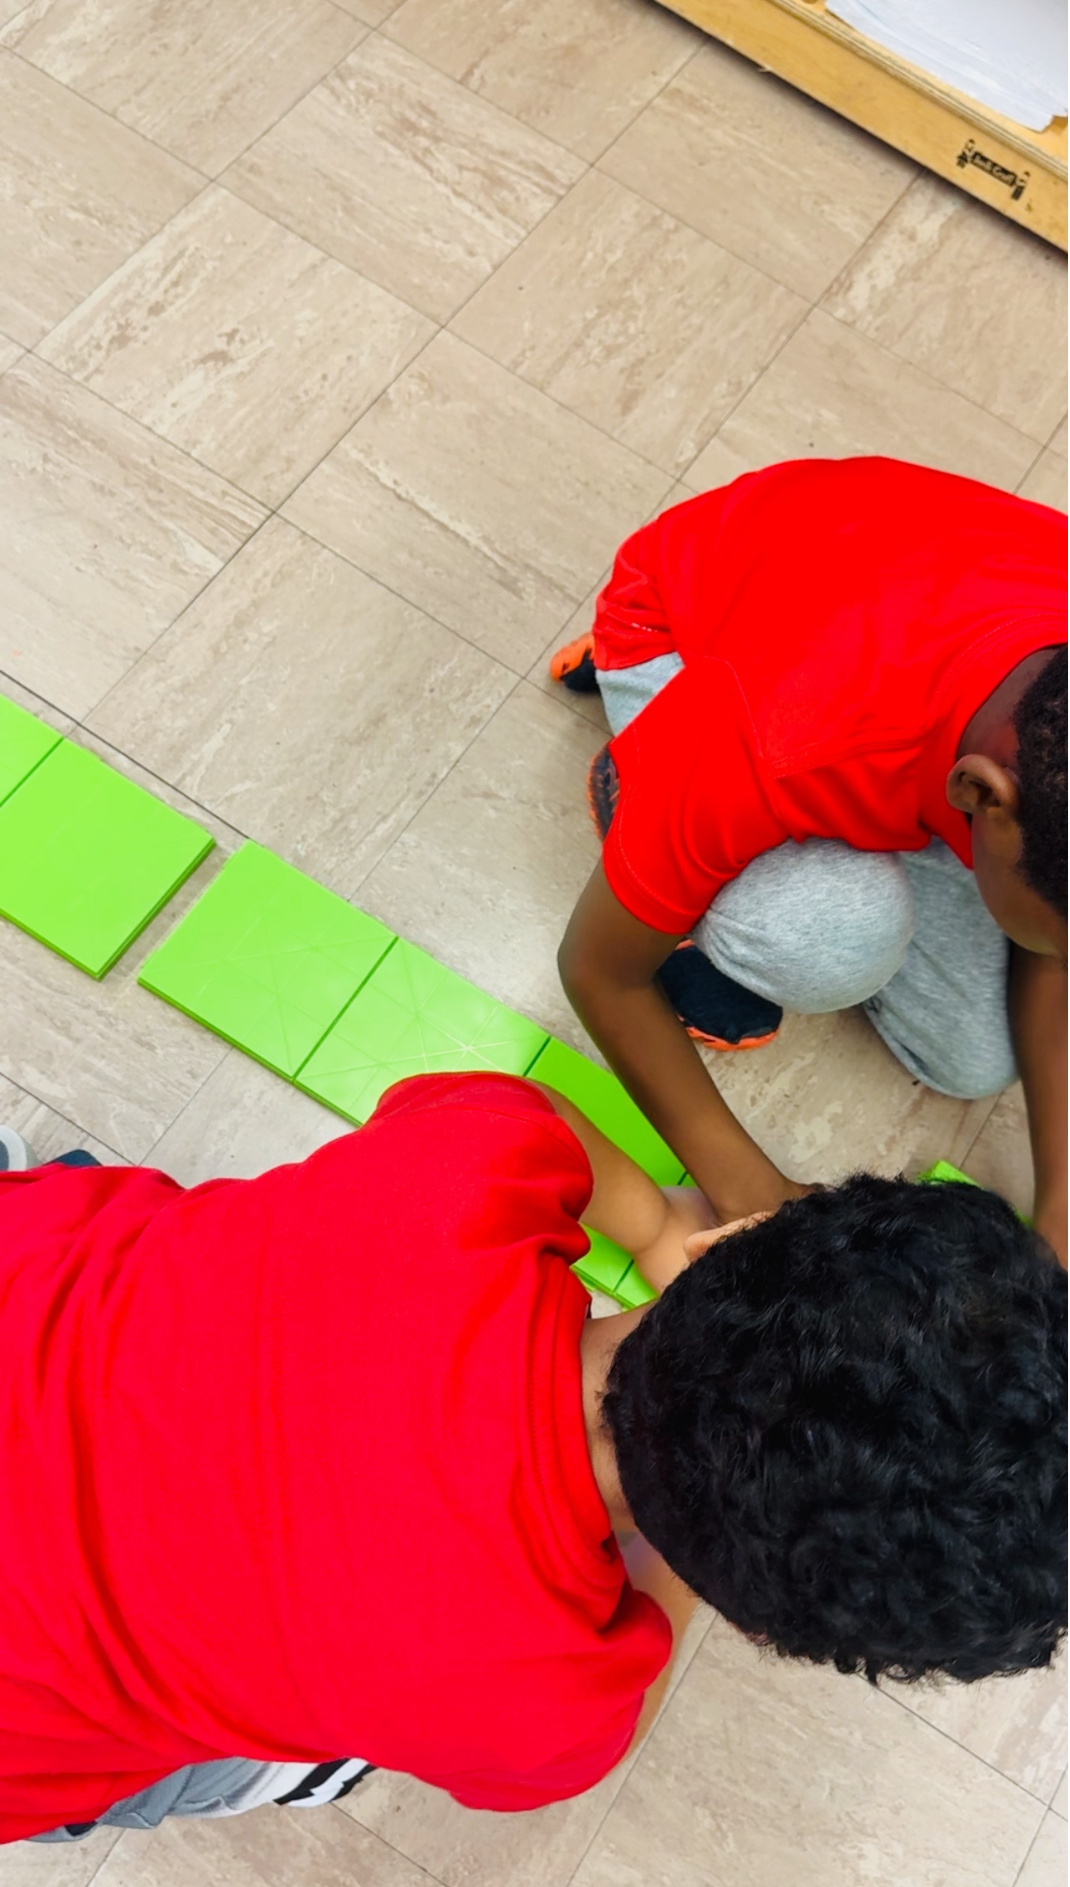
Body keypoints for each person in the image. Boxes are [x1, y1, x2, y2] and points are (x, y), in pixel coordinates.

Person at [1, 1073, 1065, 1846]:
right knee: (267, 1760)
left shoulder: (465, 1165)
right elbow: (627, 1677)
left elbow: (535, 1114)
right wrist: (691, 1556)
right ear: (746, 1616)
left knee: (112, 1231)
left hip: (33, 1266)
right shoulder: (540, 1710)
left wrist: (651, 1223)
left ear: (725, 1246)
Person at [552, 458, 1069, 1263]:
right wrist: (758, 1201)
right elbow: (597, 972)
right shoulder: (770, 731)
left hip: (864, 620)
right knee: (828, 938)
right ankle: (638, 775)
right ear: (984, 797)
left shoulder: (1034, 741)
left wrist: (1062, 1217)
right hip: (686, 635)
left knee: (976, 1061)